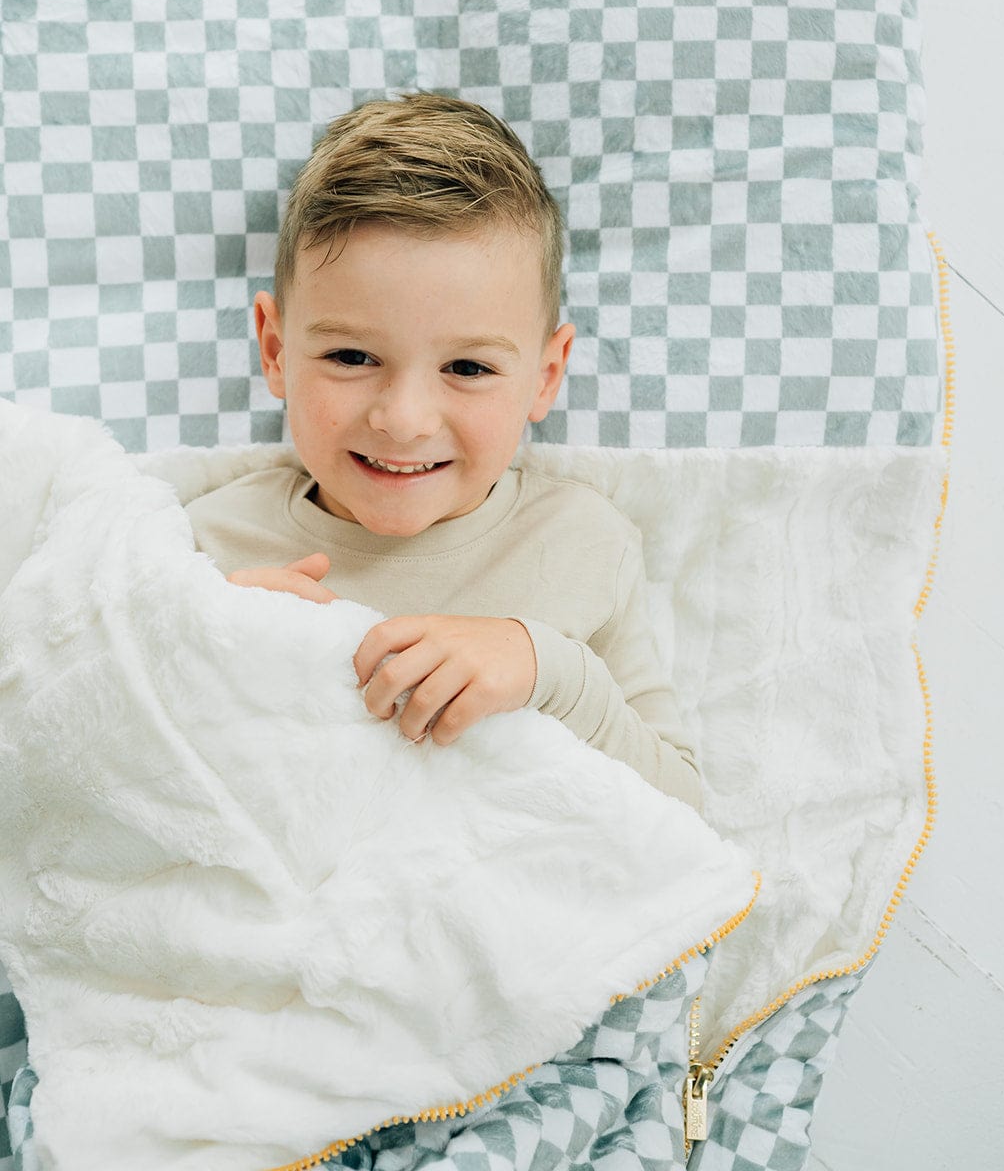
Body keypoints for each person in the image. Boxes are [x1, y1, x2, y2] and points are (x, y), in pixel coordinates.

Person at [186, 91, 703, 812]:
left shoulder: (582, 543)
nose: (403, 420)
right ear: (275, 351)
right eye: (351, 356)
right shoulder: (200, 548)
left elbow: (685, 812)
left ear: (544, 376)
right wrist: (195, 655)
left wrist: (550, 671)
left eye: (467, 368)